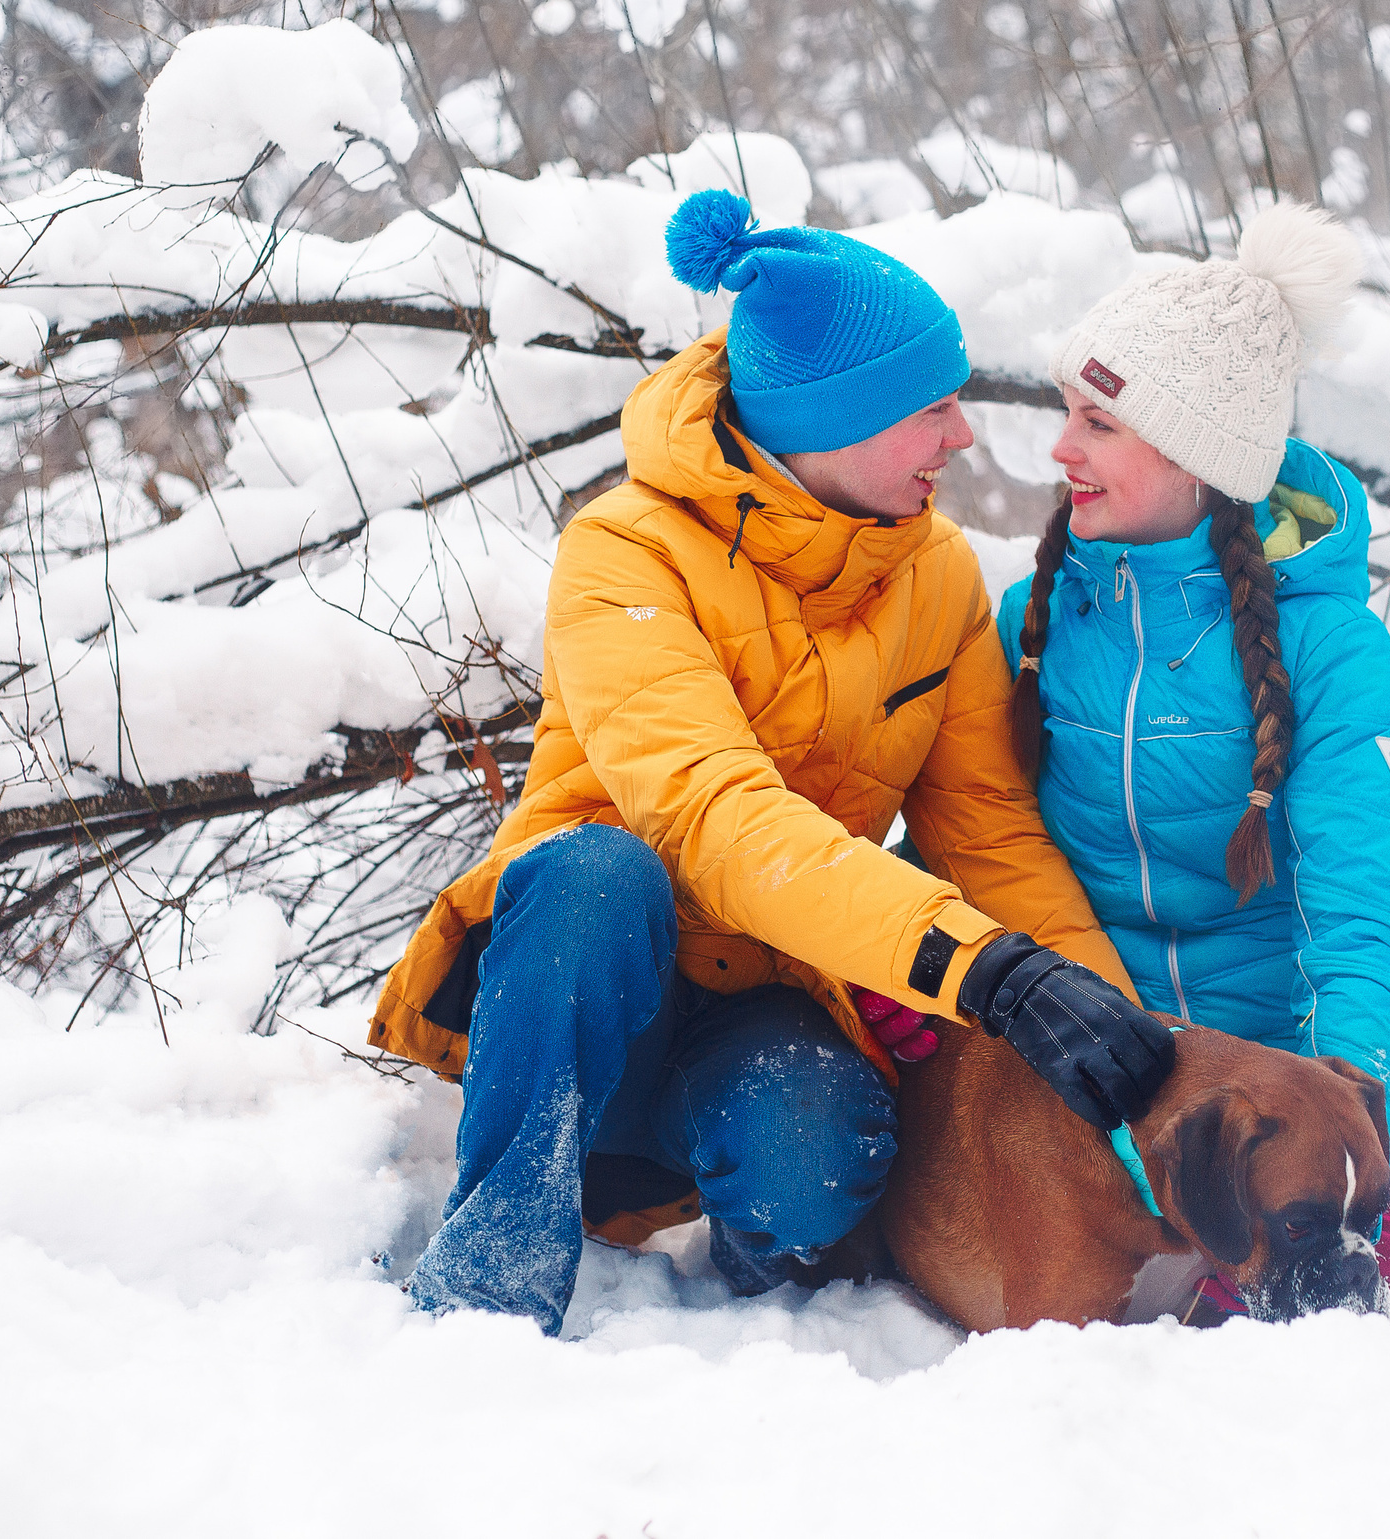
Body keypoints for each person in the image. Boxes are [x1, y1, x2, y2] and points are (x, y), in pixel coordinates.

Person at [373, 188, 1175, 1334]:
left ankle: (751, 1283)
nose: (961, 438)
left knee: (813, 1161)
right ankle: (488, 1286)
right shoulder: (625, 553)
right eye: (933, 410)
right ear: (830, 423)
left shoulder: (937, 574)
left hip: (768, 991)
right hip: (588, 988)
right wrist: (983, 969)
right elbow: (712, 816)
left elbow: (988, 832)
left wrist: (1111, 1037)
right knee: (595, 871)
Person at [998, 201, 1390, 1315]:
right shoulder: (1036, 618)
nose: (1061, 448)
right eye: (1068, 413)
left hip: (1304, 1055)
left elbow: (1360, 914)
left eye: (1098, 422)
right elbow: (982, 836)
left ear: (1195, 452)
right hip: (1116, 1049)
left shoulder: (1330, 650)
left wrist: (1342, 1115)